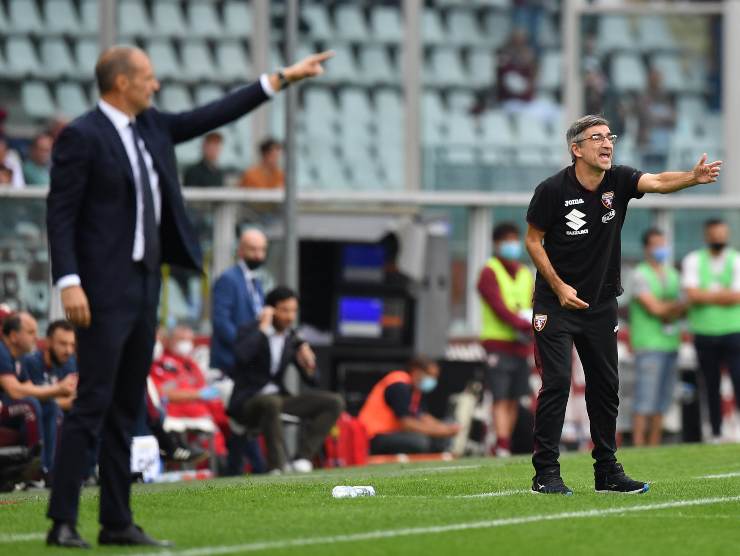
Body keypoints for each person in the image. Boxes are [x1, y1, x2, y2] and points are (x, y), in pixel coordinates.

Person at [45, 44, 333, 548]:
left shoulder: (152, 128)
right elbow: (61, 213)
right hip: (99, 290)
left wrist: (282, 78)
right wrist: (68, 280)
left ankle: (116, 521)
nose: (154, 86)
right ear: (120, 83)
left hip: (144, 286)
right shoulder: (82, 136)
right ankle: (63, 520)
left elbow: (213, 114)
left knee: (126, 406)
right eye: (147, 78)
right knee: (92, 401)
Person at [525, 114, 721, 495]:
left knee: (606, 387)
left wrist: (691, 178)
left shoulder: (619, 179)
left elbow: (659, 181)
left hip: (600, 305)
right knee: (557, 384)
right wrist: (559, 286)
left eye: (610, 136)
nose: (607, 143)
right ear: (576, 148)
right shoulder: (551, 190)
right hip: (556, 304)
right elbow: (533, 240)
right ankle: (545, 473)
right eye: (597, 137)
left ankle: (607, 472)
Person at [228, 286, 344, 473]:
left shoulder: (292, 338)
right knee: (272, 402)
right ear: (270, 310)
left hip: (279, 399)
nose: (290, 317)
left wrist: (309, 365)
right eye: (284, 310)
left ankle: (302, 459)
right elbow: (241, 357)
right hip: (248, 401)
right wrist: (263, 330)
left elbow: (313, 381)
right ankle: (276, 467)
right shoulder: (250, 330)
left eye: (293, 311)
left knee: (334, 402)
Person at [477, 222, 534, 457]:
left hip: (520, 344)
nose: (513, 246)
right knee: (500, 397)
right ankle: (500, 444)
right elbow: (498, 307)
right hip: (497, 344)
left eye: (515, 240)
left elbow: (532, 302)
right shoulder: (489, 271)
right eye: (507, 241)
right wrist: (525, 323)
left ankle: (506, 443)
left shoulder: (524, 272)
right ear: (497, 243)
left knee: (513, 398)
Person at [682, 218, 740, 442]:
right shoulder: (694, 260)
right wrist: (722, 295)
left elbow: (736, 295)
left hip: (733, 331)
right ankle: (715, 432)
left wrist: (706, 294)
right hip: (704, 332)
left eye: (721, 234)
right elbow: (692, 294)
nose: (718, 238)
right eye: (714, 235)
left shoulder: (736, 259)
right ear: (707, 236)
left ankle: (735, 428)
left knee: (738, 380)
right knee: (711, 384)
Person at [628, 229, 685, 446]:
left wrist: (670, 307)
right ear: (646, 248)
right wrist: (675, 307)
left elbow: (681, 307)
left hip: (670, 343)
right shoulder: (640, 274)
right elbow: (654, 308)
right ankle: (638, 445)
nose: (661, 248)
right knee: (644, 400)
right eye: (656, 244)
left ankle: (654, 445)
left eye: (663, 243)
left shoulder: (672, 274)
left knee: (662, 400)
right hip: (648, 345)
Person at [0, 314, 76, 469]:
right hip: (3, 408)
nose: (36, 338)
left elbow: (29, 388)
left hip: (7, 409)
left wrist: (57, 393)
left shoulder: (18, 358)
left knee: (49, 406)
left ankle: (48, 469)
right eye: (30, 332)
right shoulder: (2, 352)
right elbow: (14, 391)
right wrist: (58, 389)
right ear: (14, 336)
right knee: (30, 405)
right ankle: (33, 466)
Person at [358, 357, 460, 455]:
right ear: (417, 371)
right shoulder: (399, 385)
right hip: (373, 437)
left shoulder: (415, 390)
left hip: (391, 434)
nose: (433, 380)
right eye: (430, 375)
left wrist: (446, 427)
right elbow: (407, 424)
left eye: (435, 377)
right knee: (420, 441)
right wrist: (441, 431)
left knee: (447, 422)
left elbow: (423, 416)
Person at [21, 320, 78, 476]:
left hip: (58, 412)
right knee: (52, 409)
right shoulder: (31, 362)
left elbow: (76, 400)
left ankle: (89, 471)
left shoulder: (69, 363)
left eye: (72, 345)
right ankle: (45, 470)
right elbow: (31, 398)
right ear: (48, 342)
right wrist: (58, 396)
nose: (68, 350)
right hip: (33, 415)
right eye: (63, 344)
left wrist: (54, 398)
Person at [211, 228, 269, 376]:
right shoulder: (229, 279)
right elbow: (221, 321)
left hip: (250, 361)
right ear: (240, 251)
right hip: (231, 360)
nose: (258, 255)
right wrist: (244, 346)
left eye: (262, 250)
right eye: (253, 250)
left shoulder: (256, 281)